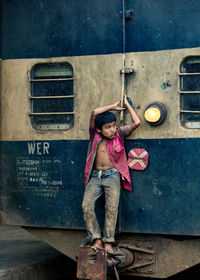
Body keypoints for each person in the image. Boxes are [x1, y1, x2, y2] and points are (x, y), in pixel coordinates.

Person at [82, 95, 140, 253]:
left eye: (113, 126)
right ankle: (97, 239)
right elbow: (94, 112)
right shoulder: (94, 135)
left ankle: (108, 241)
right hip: (95, 176)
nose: (113, 129)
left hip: (112, 176)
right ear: (100, 129)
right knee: (86, 206)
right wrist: (112, 107)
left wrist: (127, 105)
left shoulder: (120, 134)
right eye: (108, 127)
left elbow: (137, 122)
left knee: (112, 208)